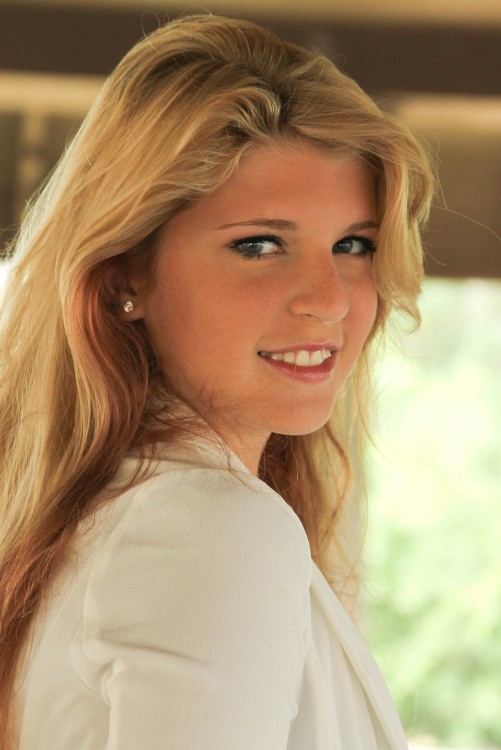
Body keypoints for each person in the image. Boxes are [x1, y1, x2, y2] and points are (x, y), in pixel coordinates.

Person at [0, 13, 433, 750]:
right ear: (125, 276)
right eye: (259, 245)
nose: (329, 300)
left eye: (353, 245)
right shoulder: (213, 527)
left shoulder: (111, 517)